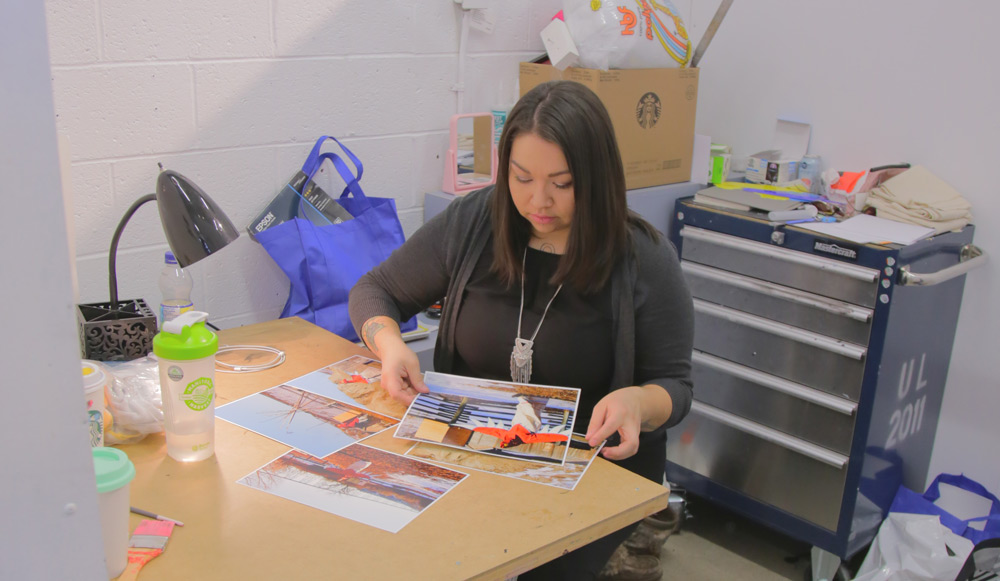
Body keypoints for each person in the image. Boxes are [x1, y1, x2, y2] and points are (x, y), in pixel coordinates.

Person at [349, 79, 694, 579]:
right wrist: (389, 344)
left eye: (563, 183)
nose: (539, 200)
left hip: (589, 478)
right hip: (473, 455)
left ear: (595, 178)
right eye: (521, 177)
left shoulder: (644, 258)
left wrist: (639, 403)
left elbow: (676, 387)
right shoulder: (474, 222)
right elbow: (375, 290)